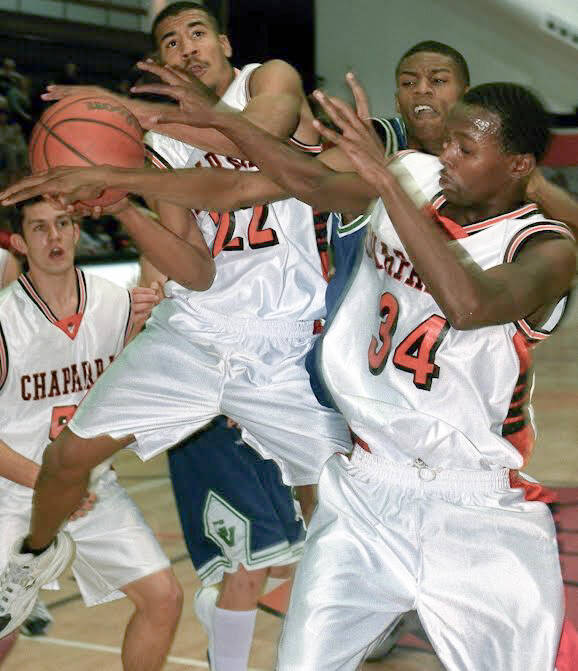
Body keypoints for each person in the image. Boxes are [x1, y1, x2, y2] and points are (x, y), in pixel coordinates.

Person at [0, 0, 351, 658]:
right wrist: (126, 207)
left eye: (197, 34)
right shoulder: (159, 146)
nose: (187, 47)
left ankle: (337, 625)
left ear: (222, 43)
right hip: (193, 337)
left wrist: (134, 113)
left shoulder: (269, 80)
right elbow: (196, 271)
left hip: (281, 344)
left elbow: (259, 138)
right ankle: (31, 560)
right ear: (161, 62)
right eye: (171, 41)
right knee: (69, 456)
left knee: (332, 498)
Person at [0, 197, 183, 670]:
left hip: (92, 492)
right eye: (38, 228)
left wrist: (145, 326)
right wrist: (51, 483)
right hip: (11, 495)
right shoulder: (3, 322)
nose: (53, 237)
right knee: (3, 633)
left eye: (62, 224)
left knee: (162, 597)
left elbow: (125, 385)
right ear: (19, 243)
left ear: (78, 231)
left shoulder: (116, 302)